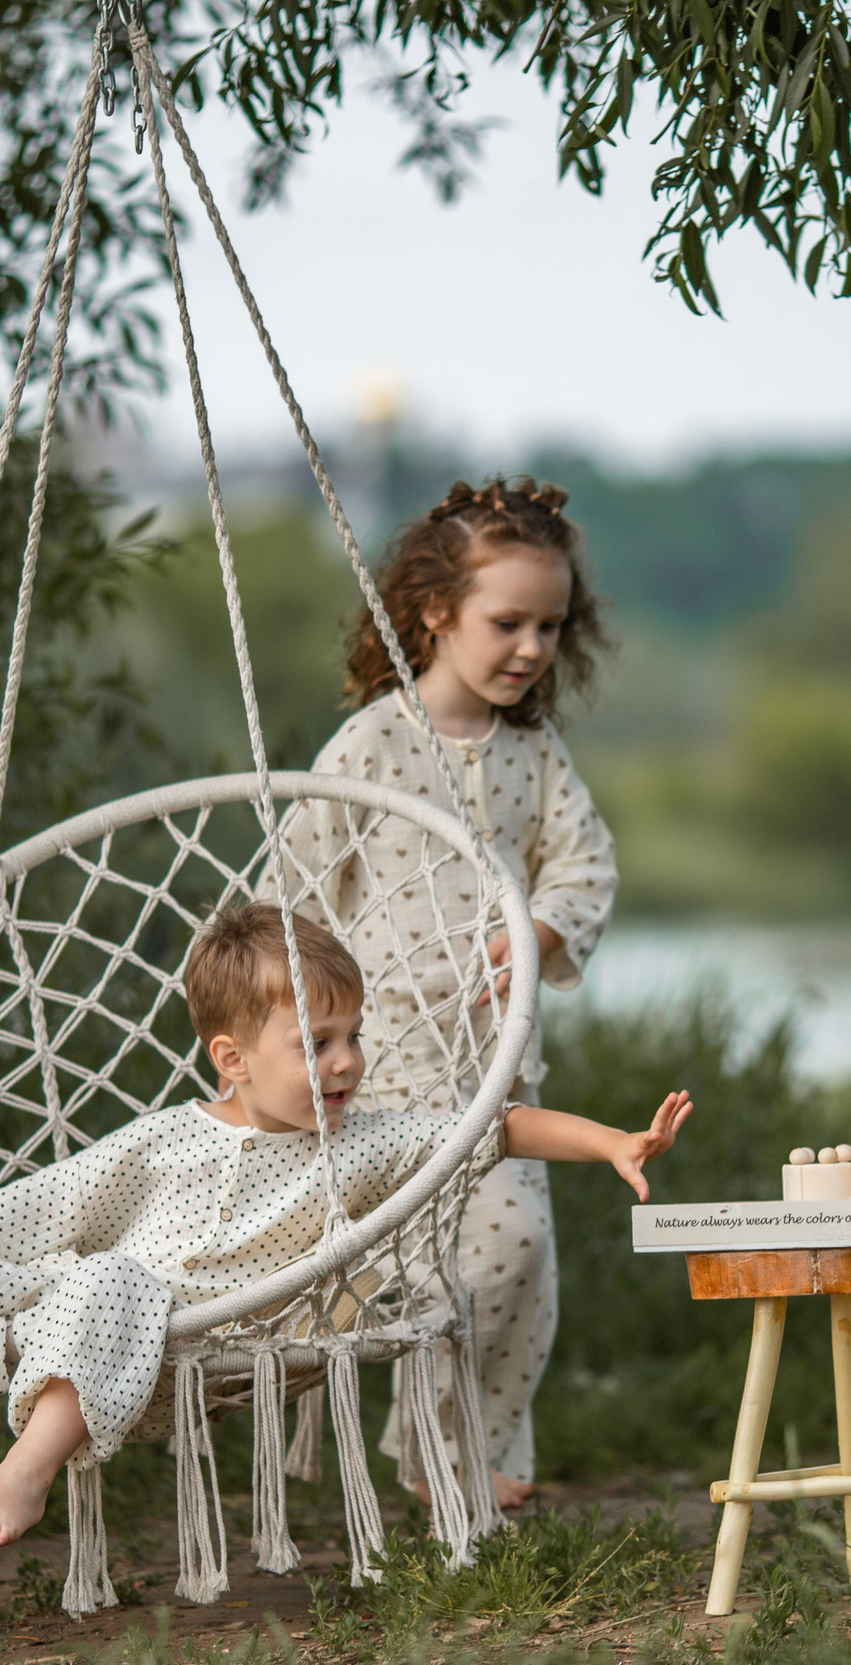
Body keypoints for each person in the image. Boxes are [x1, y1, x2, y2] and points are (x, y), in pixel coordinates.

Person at [0, 903, 687, 1597]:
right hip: (75, 1304)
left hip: (190, 1331)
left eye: (352, 1035)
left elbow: (491, 1130)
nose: (347, 1061)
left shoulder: (364, 1142)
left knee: (112, 1281)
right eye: (316, 1043)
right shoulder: (163, 1138)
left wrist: (611, 1139)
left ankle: (26, 1470)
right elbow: (43, 1206)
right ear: (231, 1058)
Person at [282, 476, 616, 1512]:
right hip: (375, 1071)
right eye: (505, 621)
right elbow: (291, 890)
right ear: (435, 613)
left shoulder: (534, 752)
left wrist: (548, 926)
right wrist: (298, 1021)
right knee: (418, 1269)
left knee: (516, 1264)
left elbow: (586, 862)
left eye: (549, 626)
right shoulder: (373, 744)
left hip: (494, 1067)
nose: (530, 647)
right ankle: (435, 1449)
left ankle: (454, 1446)